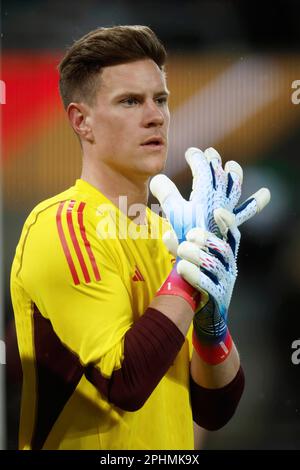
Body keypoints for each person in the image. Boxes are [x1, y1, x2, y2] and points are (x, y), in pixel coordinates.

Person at [10, 25, 269, 450]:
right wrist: (191, 276)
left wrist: (212, 324)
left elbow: (215, 409)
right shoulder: (60, 227)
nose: (155, 116)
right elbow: (124, 381)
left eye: (160, 99)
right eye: (130, 101)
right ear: (81, 121)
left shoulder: (173, 232)